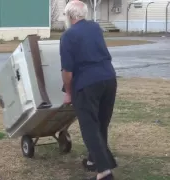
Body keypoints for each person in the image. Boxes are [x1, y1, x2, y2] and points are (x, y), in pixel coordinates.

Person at [60, 1, 118, 180]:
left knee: (89, 127)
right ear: (83, 14)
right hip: (109, 78)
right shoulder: (95, 28)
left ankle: (105, 172)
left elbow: (67, 71)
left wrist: (68, 92)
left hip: (87, 83)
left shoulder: (68, 36)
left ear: (69, 16)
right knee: (101, 123)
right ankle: (94, 160)